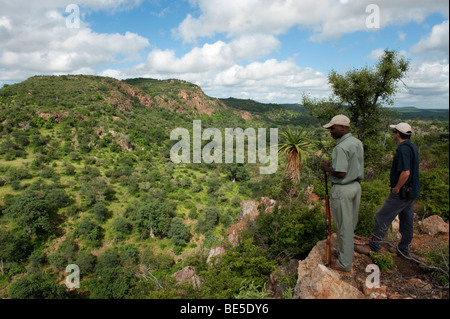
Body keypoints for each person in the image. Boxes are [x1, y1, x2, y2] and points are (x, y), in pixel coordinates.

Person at [356, 122, 420, 258]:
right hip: (411, 192)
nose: (393, 135)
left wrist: (396, 188)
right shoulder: (412, 147)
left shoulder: (403, 149)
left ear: (397, 134)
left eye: (394, 132)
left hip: (402, 192)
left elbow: (406, 172)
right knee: (407, 221)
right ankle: (404, 250)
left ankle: (374, 246)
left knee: (382, 216)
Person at [321, 115, 364, 272]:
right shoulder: (356, 143)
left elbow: (340, 173)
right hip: (355, 186)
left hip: (343, 189)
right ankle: (344, 253)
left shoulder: (340, 148)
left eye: (333, 128)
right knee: (350, 224)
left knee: (343, 226)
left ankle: (344, 263)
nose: (330, 131)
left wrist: (326, 169)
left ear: (343, 128)